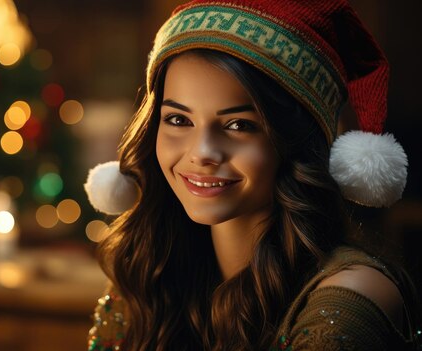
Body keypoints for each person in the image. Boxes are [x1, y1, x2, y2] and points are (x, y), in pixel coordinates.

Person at [83, 0, 421, 350]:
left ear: (294, 142)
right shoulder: (149, 275)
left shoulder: (355, 294)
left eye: (239, 125)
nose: (202, 152)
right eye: (179, 120)